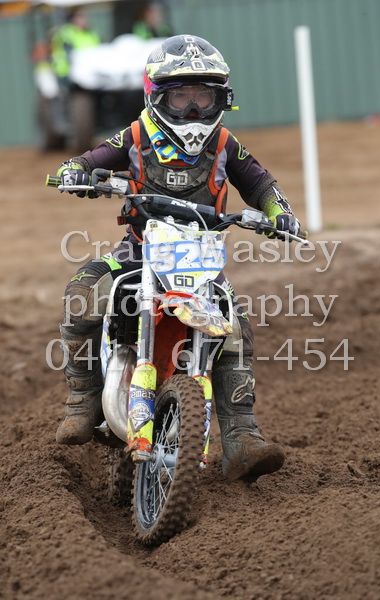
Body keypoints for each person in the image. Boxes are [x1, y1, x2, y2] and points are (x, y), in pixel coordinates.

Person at [55, 35, 302, 482]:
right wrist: (77, 172)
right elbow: (88, 160)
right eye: (181, 97)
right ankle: (83, 400)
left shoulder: (224, 143)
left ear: (220, 98)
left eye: (202, 97)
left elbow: (262, 184)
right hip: (137, 251)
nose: (191, 110)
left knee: (236, 328)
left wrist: (279, 214)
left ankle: (241, 436)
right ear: (156, 95)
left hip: (200, 260)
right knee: (81, 293)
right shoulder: (135, 135)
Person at [50, 8, 100, 83]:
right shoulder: (66, 33)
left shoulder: (92, 33)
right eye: (81, 17)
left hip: (89, 73)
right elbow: (67, 54)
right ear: (74, 18)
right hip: (67, 74)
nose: (85, 20)